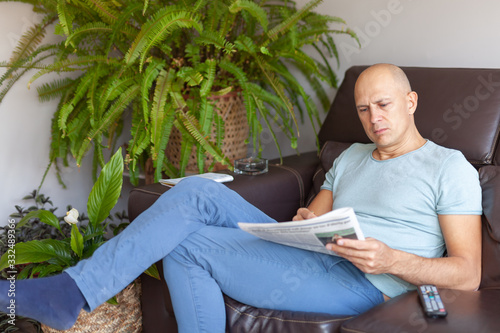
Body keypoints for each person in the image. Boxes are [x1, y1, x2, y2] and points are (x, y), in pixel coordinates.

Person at [0, 64, 482, 332]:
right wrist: (306, 220)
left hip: (370, 285)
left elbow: (470, 273)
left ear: (411, 101)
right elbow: (316, 210)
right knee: (193, 191)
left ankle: (70, 293)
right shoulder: (353, 156)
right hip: (314, 253)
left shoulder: (448, 167)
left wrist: (390, 258)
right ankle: (71, 291)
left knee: (185, 245)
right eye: (362, 109)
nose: (373, 118)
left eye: (384, 104)